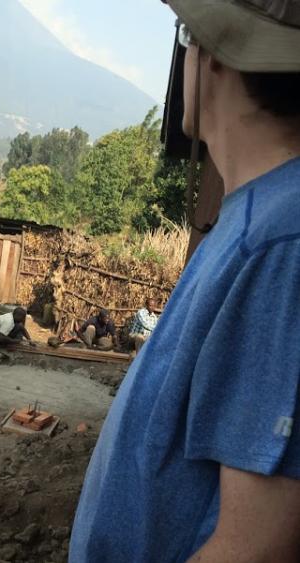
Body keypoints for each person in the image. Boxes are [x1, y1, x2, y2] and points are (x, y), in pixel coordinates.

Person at [72, 2, 300, 561]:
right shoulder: (254, 217)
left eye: (186, 36)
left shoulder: (282, 244)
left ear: (217, 56)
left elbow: (256, 547)